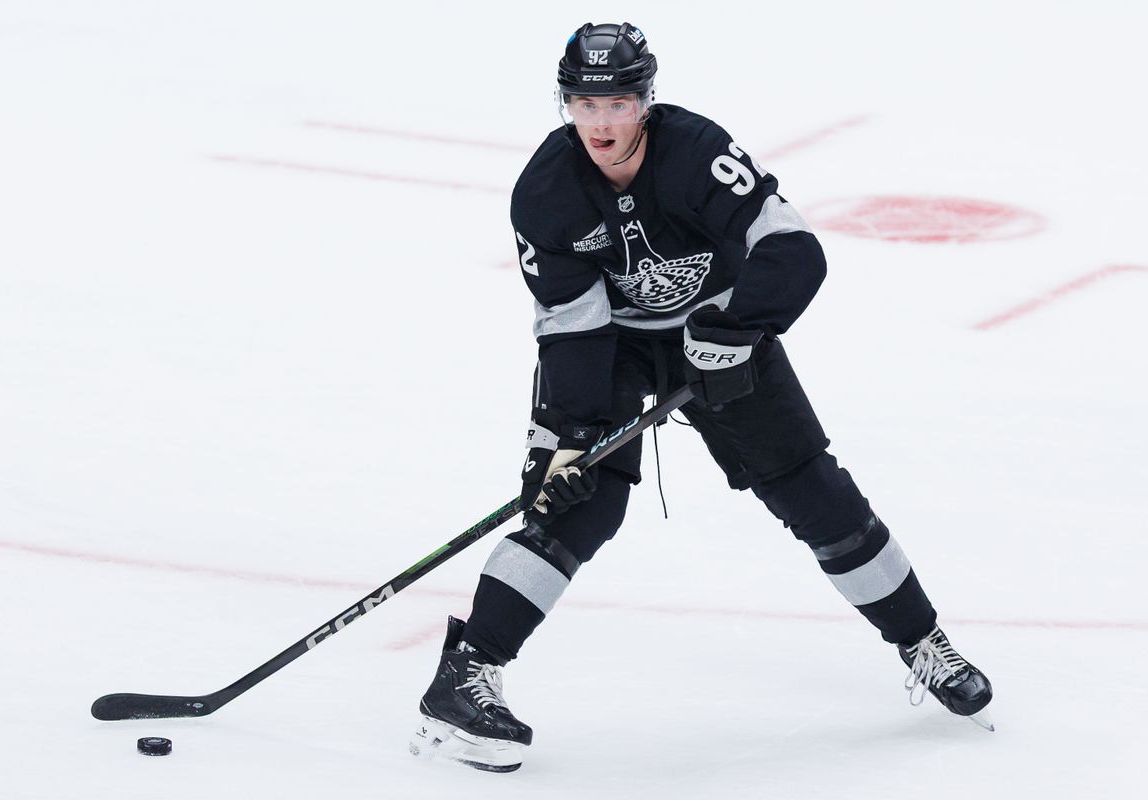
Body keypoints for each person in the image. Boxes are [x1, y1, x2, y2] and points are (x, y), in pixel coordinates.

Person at [408, 22, 993, 773]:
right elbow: (571, 324)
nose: (601, 123)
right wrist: (573, 434)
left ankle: (923, 642)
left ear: (646, 102)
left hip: (717, 330)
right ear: (565, 105)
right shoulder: (545, 193)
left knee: (816, 496)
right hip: (609, 346)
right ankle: (465, 676)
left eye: (617, 103)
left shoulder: (697, 154)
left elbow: (792, 248)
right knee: (573, 503)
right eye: (585, 105)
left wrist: (736, 330)